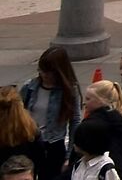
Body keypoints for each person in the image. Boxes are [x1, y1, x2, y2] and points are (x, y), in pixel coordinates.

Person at [25, 47, 77, 177]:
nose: (44, 75)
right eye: (41, 70)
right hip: (30, 142)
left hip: (54, 146)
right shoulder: (30, 87)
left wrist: (69, 155)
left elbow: (75, 121)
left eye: (49, 72)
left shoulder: (69, 91)